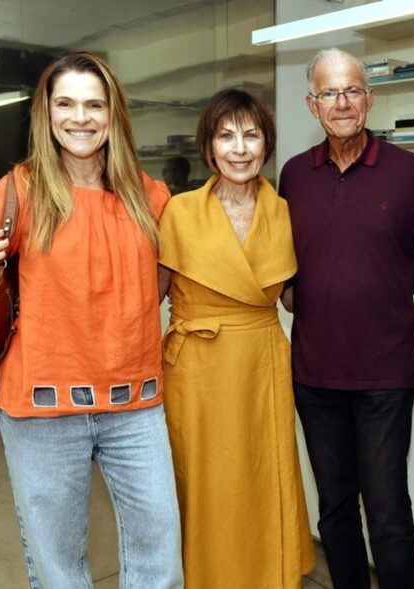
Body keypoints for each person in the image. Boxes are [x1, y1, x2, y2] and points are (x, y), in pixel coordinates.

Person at [0, 52, 183, 588]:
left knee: (161, 559)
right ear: (46, 112)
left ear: (114, 114)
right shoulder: (21, 189)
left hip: (136, 405)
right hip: (43, 407)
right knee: (60, 570)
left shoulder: (149, 195)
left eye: (95, 104)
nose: (81, 117)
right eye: (65, 103)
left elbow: (169, 278)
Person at [278, 48, 414, 589]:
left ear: (370, 99)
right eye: (330, 93)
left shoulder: (409, 171)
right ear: (312, 104)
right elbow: (283, 270)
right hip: (314, 372)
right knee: (333, 509)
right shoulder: (294, 176)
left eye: (352, 90)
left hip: (384, 375)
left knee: (388, 512)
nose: (343, 102)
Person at [156, 88, 315, 588]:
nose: (239, 148)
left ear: (267, 145)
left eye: (251, 135)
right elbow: (147, 299)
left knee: (262, 480)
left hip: (261, 364)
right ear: (208, 148)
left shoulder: (287, 213)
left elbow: (296, 297)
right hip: (196, 371)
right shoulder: (179, 212)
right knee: (203, 486)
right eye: (226, 136)